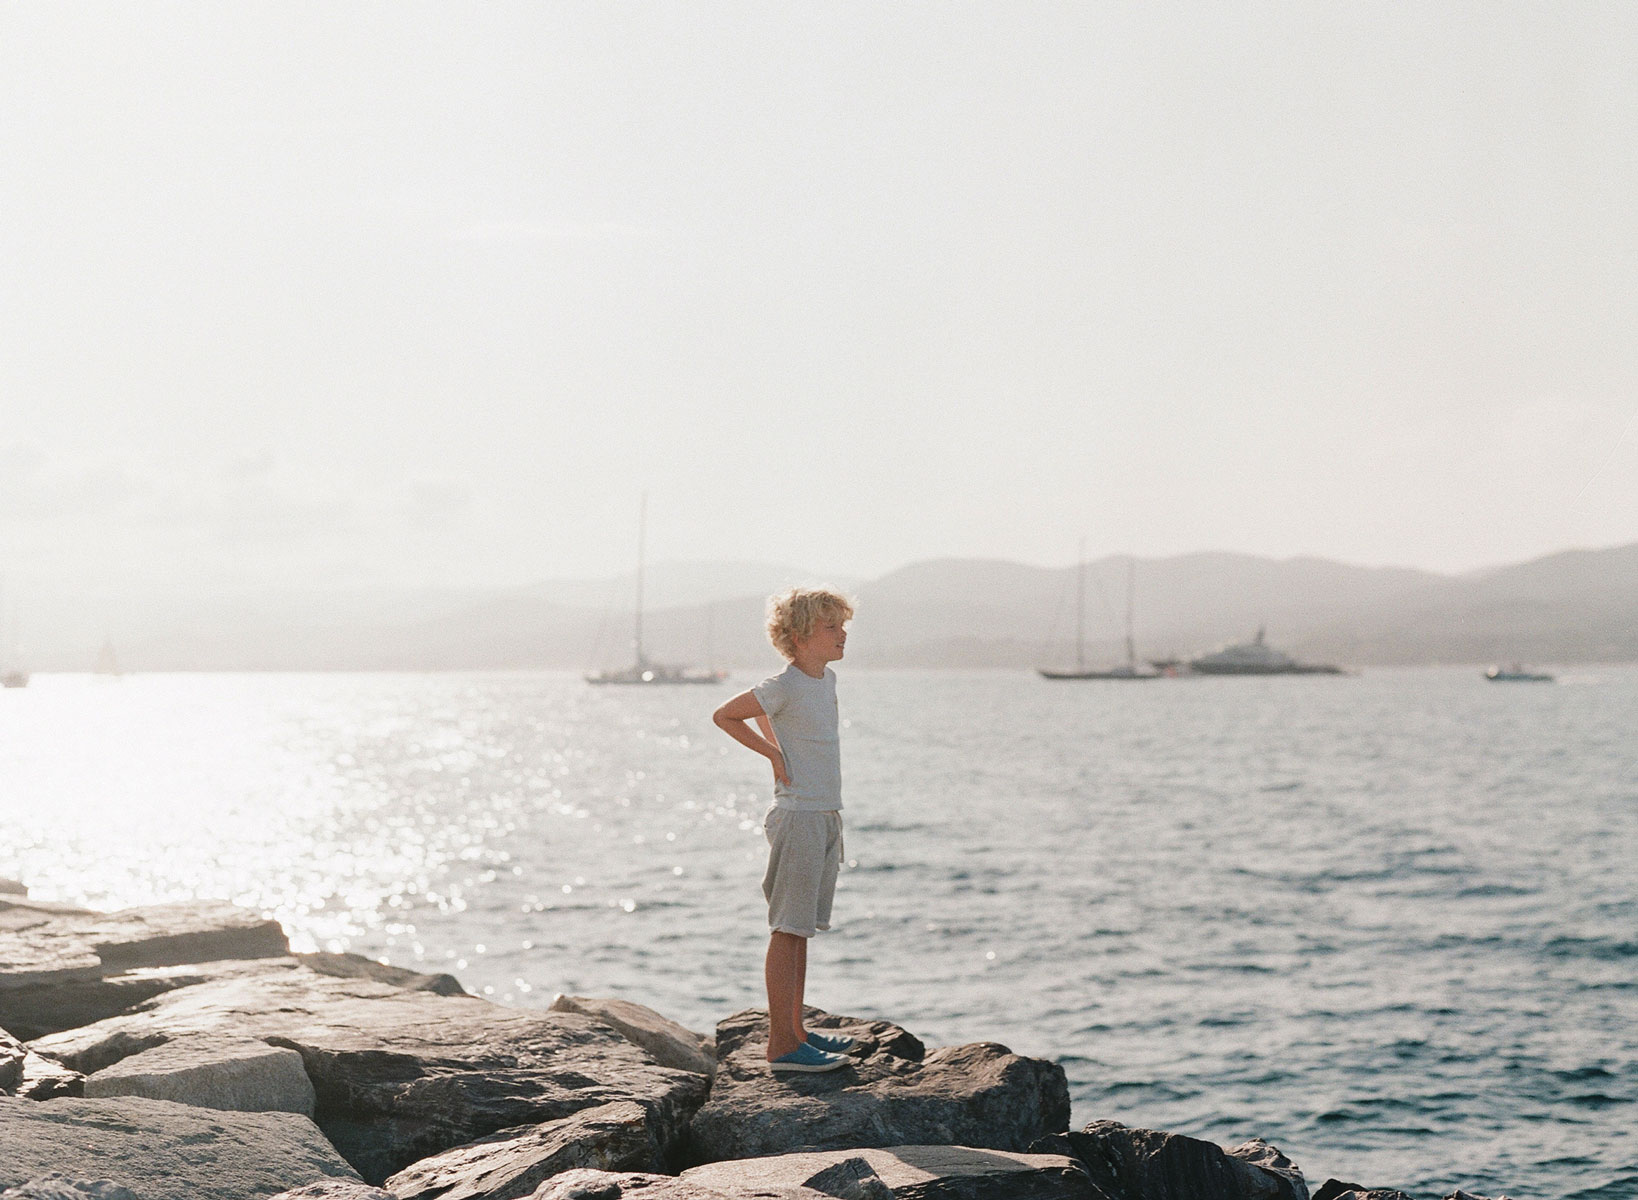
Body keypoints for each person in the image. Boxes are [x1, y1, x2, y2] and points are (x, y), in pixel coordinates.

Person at [712, 587, 858, 1073]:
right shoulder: (786, 684)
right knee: (787, 929)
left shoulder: (826, 680)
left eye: (843, 625)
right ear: (798, 636)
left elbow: (774, 719)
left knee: (802, 932)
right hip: (798, 815)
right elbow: (726, 714)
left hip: (824, 814)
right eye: (831, 627)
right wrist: (773, 755)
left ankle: (795, 1031)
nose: (843, 634)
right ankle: (781, 1047)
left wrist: (778, 740)